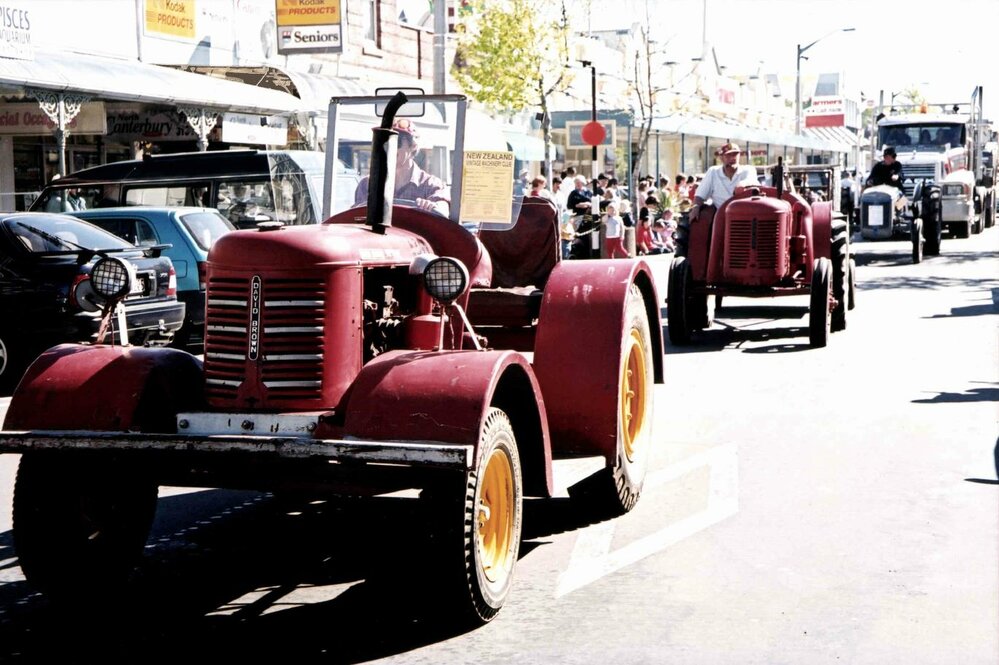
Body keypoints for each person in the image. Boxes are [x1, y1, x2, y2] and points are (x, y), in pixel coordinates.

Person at [354, 118, 450, 215]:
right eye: (383, 142)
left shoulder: (431, 185)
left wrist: (432, 206)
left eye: (396, 142)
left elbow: (443, 210)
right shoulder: (367, 185)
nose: (388, 149)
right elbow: (355, 218)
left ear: (413, 146)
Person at [689, 143, 758, 220]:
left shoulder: (748, 170)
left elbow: (752, 181)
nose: (732, 158)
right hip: (722, 216)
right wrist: (696, 207)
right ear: (721, 158)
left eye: (735, 154)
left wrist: (742, 184)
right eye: (728, 155)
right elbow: (700, 195)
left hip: (745, 215)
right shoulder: (713, 172)